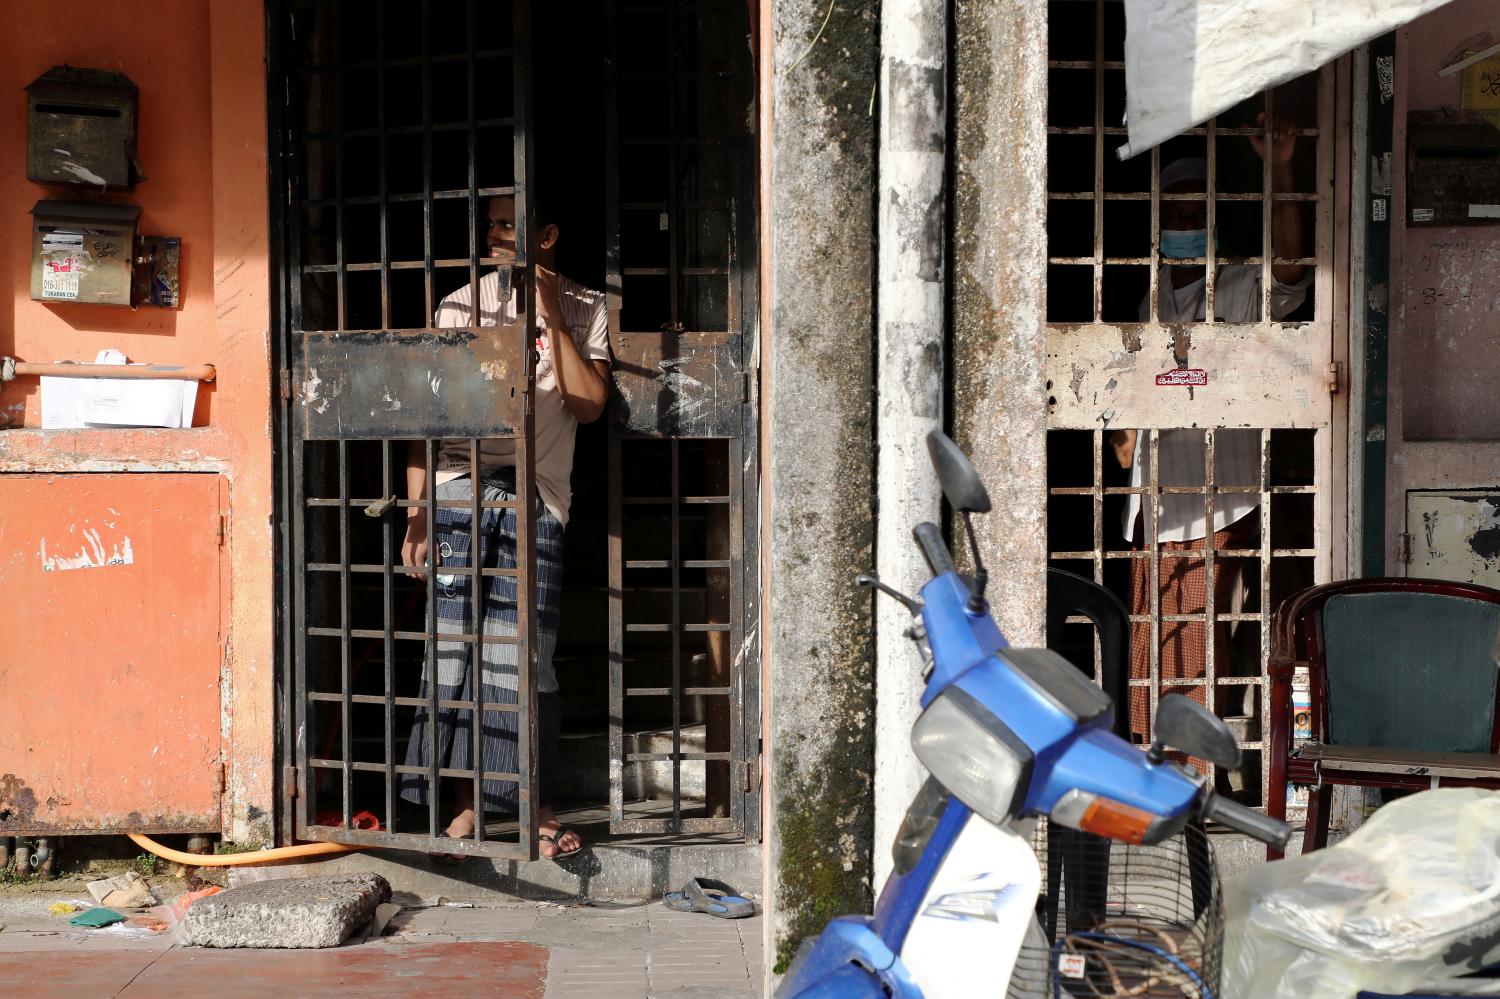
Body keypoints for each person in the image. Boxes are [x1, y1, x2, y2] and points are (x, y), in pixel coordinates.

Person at [400, 193, 610, 858]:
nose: (493, 234)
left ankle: (534, 805)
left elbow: (590, 403)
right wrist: (418, 510)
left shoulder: (587, 305)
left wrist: (550, 316)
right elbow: (426, 419)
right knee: (457, 646)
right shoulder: (460, 305)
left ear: (547, 233)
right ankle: (465, 803)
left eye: (508, 223)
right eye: (490, 223)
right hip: (460, 485)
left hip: (536, 492)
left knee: (525, 655)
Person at [1110, 117, 1309, 742]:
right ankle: (1156, 757)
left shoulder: (1240, 286)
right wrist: (1123, 442)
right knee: (1154, 634)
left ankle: (1186, 770)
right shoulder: (1150, 297)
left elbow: (1293, 274)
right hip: (1156, 496)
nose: (1187, 214)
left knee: (1192, 639)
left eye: (1198, 203)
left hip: (1219, 495)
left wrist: (1278, 168)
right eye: (1176, 205)